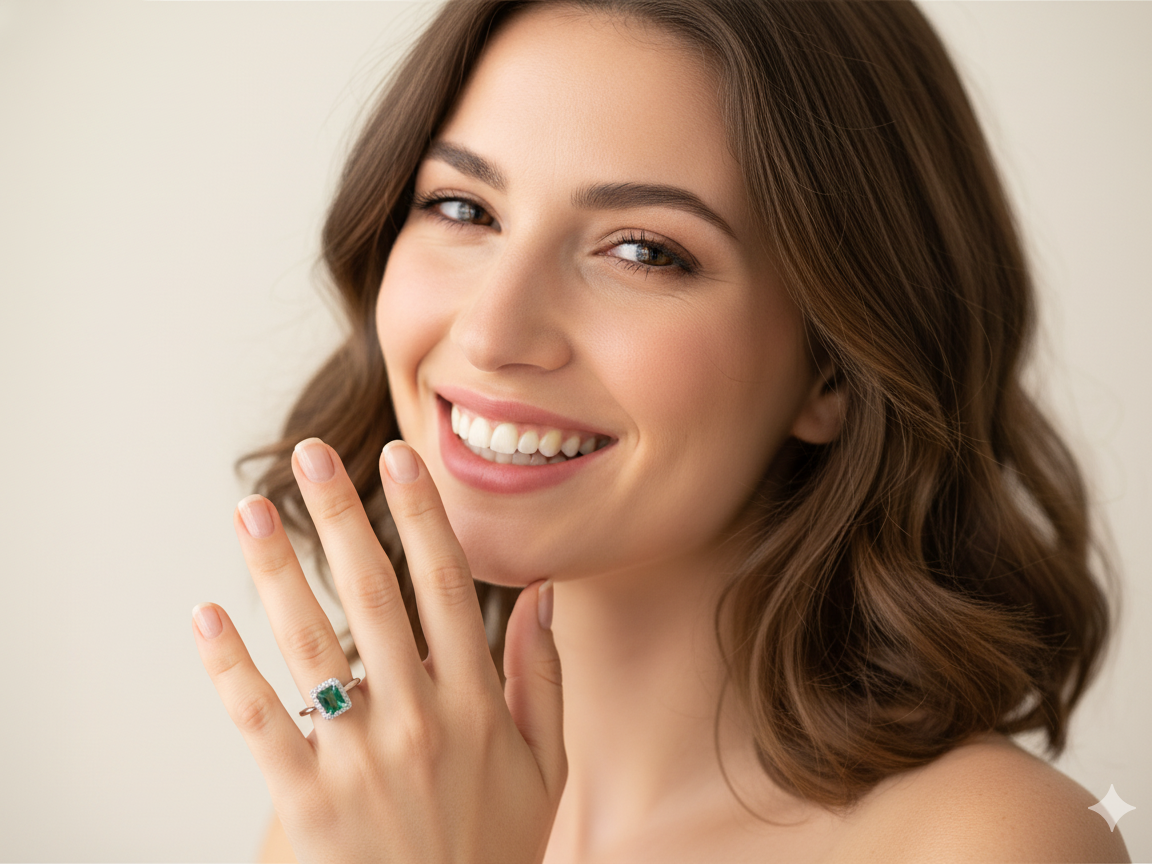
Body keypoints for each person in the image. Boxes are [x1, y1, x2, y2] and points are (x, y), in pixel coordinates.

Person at [190, 1, 1132, 861]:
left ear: (835, 367)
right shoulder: (370, 804)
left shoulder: (994, 845)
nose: (490, 333)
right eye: (461, 207)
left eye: (643, 251)